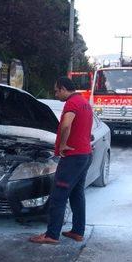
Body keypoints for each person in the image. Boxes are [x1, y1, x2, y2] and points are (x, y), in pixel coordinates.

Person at [30, 77, 93, 245]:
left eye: (57, 91)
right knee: (77, 195)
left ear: (64, 88)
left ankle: (52, 235)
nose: (56, 94)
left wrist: (63, 144)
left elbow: (66, 125)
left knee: (58, 196)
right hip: (85, 155)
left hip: (73, 157)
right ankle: (78, 231)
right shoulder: (84, 102)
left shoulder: (72, 103)